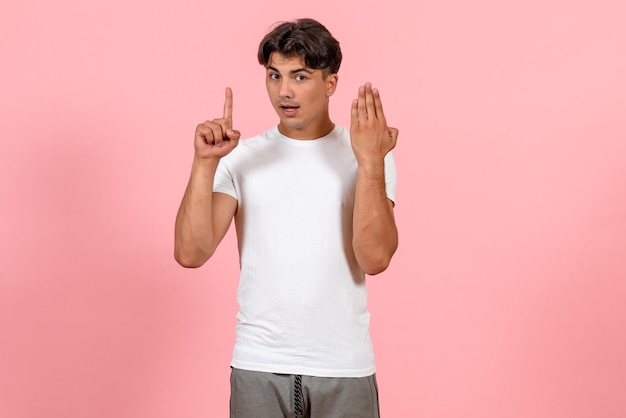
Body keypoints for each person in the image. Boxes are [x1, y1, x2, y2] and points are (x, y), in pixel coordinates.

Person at [174, 18, 398, 418]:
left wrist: (370, 164)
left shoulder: (367, 153)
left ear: (330, 84)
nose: (284, 91)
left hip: (342, 366)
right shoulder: (241, 157)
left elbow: (375, 258)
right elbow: (191, 252)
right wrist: (204, 164)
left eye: (300, 76)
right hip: (259, 363)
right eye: (274, 75)